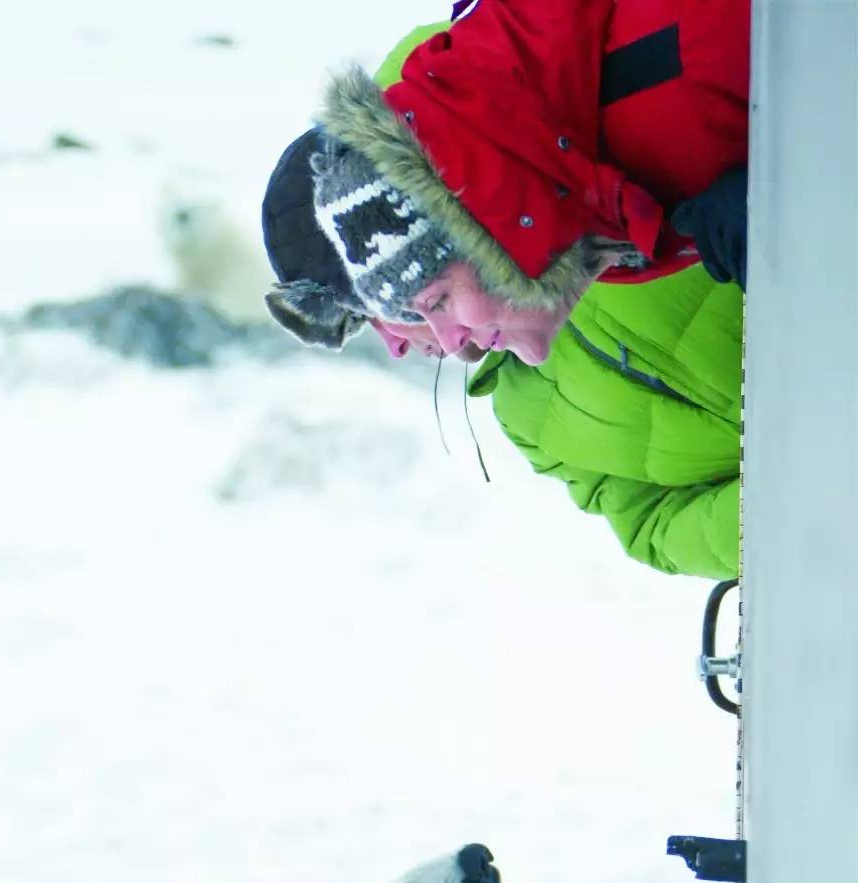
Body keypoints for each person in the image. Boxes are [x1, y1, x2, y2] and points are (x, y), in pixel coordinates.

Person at [261, 5, 749, 578]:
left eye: (378, 314)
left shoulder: (563, 138)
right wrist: (801, 499)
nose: (395, 347)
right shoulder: (529, 412)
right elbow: (649, 523)